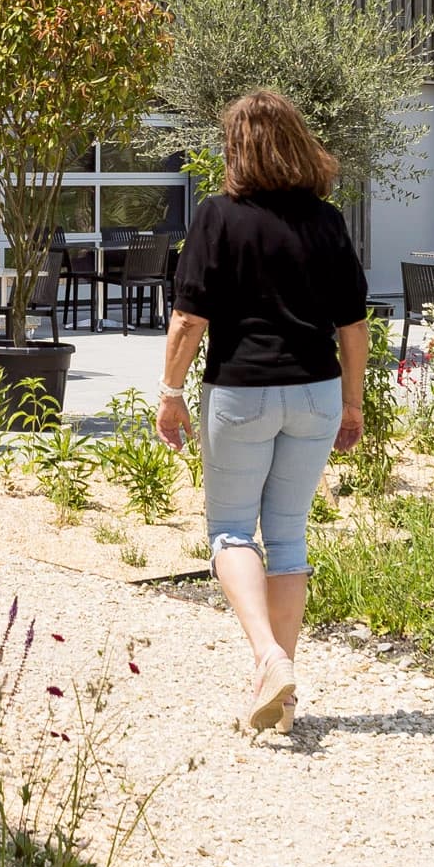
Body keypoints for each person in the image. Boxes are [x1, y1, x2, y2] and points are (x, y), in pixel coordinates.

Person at [158, 89, 369, 735]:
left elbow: (190, 318)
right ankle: (280, 699)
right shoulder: (326, 221)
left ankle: (268, 657)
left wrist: (169, 392)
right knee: (286, 536)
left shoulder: (217, 216)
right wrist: (353, 403)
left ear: (236, 149)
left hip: (242, 392)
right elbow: (353, 323)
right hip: (314, 392)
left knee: (227, 532)